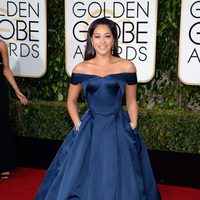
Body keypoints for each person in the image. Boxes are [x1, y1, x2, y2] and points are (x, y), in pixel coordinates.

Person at [35, 17, 161, 199]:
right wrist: (78, 123)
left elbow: (132, 100)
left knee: (120, 173)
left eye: (107, 36)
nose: (102, 41)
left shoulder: (127, 66)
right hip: (90, 127)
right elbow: (71, 101)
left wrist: (133, 123)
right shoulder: (80, 68)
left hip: (118, 126)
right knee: (82, 173)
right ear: (91, 40)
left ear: (114, 39)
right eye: (97, 36)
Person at [0, 39, 29, 179]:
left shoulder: (1, 45)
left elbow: (6, 68)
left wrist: (17, 90)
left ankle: (3, 165)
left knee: (2, 125)